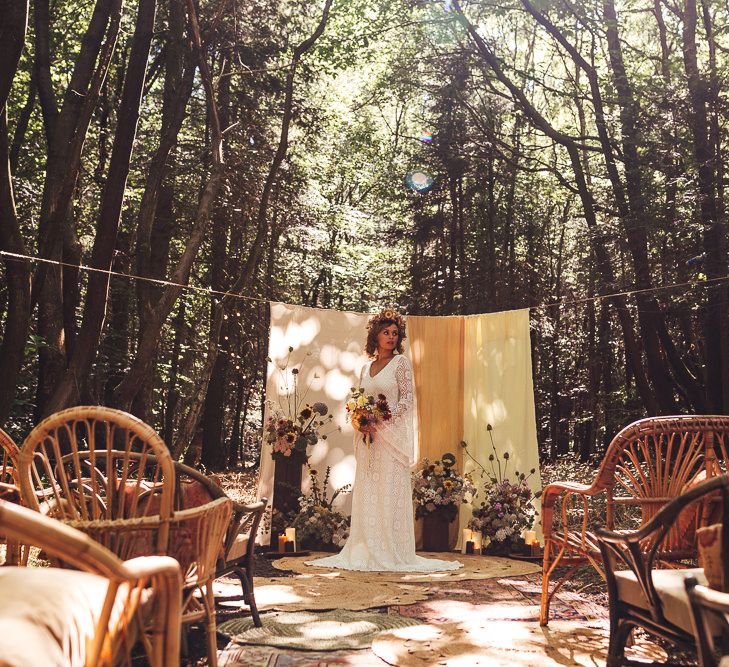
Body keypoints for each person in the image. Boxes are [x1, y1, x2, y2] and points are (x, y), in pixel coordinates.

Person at [306, 309, 462, 572]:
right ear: (375, 335)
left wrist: (382, 419)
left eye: (395, 333)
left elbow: (407, 399)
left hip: (390, 439)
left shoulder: (401, 363)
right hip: (369, 440)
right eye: (386, 332)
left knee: (389, 492)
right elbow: (356, 398)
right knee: (369, 492)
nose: (391, 337)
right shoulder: (366, 368)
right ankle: (367, 546)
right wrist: (360, 417)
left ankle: (392, 549)